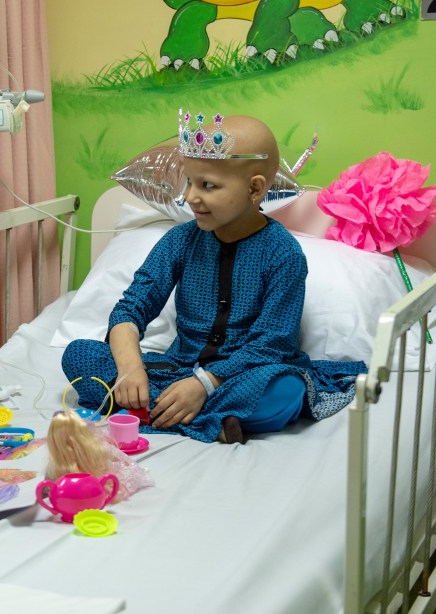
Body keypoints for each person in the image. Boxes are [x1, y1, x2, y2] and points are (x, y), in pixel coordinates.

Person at [62, 112, 365, 444]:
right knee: (78, 354)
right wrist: (131, 368)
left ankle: (157, 412)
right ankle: (208, 417)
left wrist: (204, 384)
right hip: (178, 369)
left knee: (286, 391)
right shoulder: (180, 241)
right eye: (189, 182)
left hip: (246, 374)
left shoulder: (283, 254)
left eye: (207, 185)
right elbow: (131, 309)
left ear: (254, 189)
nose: (191, 196)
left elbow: (272, 343)